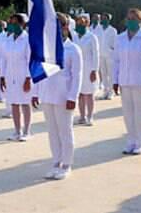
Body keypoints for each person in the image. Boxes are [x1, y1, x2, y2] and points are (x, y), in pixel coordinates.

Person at [32, 13, 82, 180]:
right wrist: (35, 92)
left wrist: (72, 97)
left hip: (63, 96)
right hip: (47, 95)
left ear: (66, 27)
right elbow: (40, 72)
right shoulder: (46, 49)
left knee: (65, 131)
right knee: (52, 132)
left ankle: (66, 164)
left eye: (59, 26)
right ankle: (56, 161)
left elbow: (77, 75)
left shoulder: (73, 49)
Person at [113, 8, 141, 155]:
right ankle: (130, 141)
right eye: (129, 19)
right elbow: (116, 61)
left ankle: (140, 142)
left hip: (140, 82)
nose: (131, 22)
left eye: (134, 19)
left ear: (140, 20)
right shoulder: (120, 38)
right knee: (128, 113)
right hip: (125, 81)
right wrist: (115, 80)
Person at [0, 13, 33, 141]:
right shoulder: (8, 39)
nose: (12, 25)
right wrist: (2, 76)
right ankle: (17, 131)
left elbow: (30, 60)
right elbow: (3, 59)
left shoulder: (27, 39)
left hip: (23, 76)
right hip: (10, 75)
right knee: (14, 103)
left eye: (15, 23)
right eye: (11, 22)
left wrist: (28, 78)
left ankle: (26, 131)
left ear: (22, 24)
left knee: (25, 103)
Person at [73, 13, 99, 126]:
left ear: (87, 24)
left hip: (89, 69)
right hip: (78, 69)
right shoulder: (74, 37)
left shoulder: (92, 37)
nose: (79, 26)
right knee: (80, 94)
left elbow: (96, 55)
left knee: (89, 94)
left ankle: (90, 116)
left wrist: (94, 70)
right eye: (77, 24)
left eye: (81, 24)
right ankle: (82, 116)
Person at [96, 13, 118, 100]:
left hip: (110, 56)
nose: (103, 20)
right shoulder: (98, 29)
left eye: (105, 18)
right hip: (101, 55)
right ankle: (105, 91)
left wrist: (111, 49)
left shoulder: (113, 30)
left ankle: (111, 92)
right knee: (103, 74)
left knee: (110, 74)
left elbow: (115, 44)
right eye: (102, 18)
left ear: (109, 20)